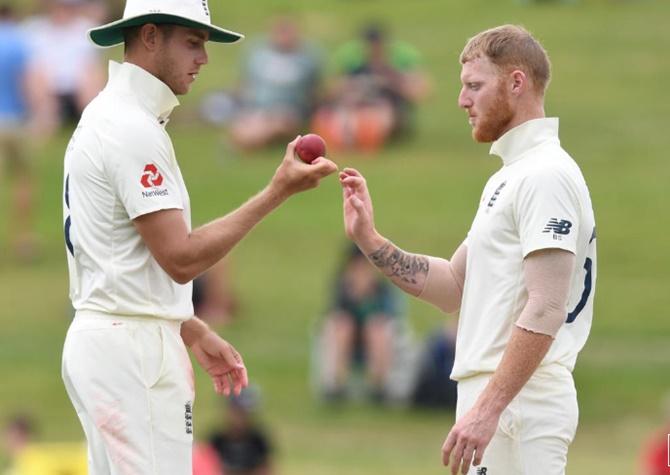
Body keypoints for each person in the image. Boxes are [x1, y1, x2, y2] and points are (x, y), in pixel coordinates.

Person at [60, 1, 338, 474]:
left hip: (113, 339)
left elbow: (115, 257)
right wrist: (278, 191)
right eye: (192, 43)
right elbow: (180, 258)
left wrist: (186, 325)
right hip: (134, 352)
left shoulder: (109, 116)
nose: (204, 59)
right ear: (149, 37)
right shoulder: (131, 128)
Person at [339, 24, 597, 474]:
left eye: (474, 86)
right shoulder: (510, 176)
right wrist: (370, 239)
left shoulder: (545, 175)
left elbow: (546, 306)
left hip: (520, 403)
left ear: (517, 83)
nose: (462, 100)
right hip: (501, 399)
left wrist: (489, 408)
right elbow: (454, 285)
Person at [312, 23, 430, 152]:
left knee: (376, 117)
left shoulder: (399, 60)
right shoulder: (353, 62)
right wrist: (349, 85)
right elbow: (329, 91)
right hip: (358, 106)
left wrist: (393, 82)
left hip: (388, 107)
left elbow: (421, 92)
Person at [317, 244, 407, 403]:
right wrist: (354, 298)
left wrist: (368, 299)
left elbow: (391, 315)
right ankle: (336, 385)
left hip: (376, 338)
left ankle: (379, 386)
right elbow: (334, 313)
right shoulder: (342, 288)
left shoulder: (382, 290)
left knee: (376, 327)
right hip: (349, 339)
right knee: (342, 326)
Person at [0, 4, 53, 261]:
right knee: (23, 180)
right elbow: (30, 81)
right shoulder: (19, 42)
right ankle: (23, 239)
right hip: (15, 122)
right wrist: (42, 114)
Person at [228, 16, 323, 150]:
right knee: (246, 125)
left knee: (275, 125)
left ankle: (254, 141)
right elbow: (243, 84)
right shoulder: (257, 54)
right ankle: (251, 139)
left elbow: (316, 91)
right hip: (257, 109)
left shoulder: (307, 58)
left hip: (289, 112)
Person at [23, 0, 105, 127]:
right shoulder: (34, 29)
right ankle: (45, 118)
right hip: (48, 88)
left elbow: (92, 65)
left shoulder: (87, 29)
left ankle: (94, 119)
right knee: (35, 75)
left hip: (79, 86)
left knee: (91, 75)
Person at [208, 386, 274, 475]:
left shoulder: (258, 441)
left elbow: (266, 469)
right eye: (238, 411)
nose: (241, 417)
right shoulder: (217, 440)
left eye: (244, 412)